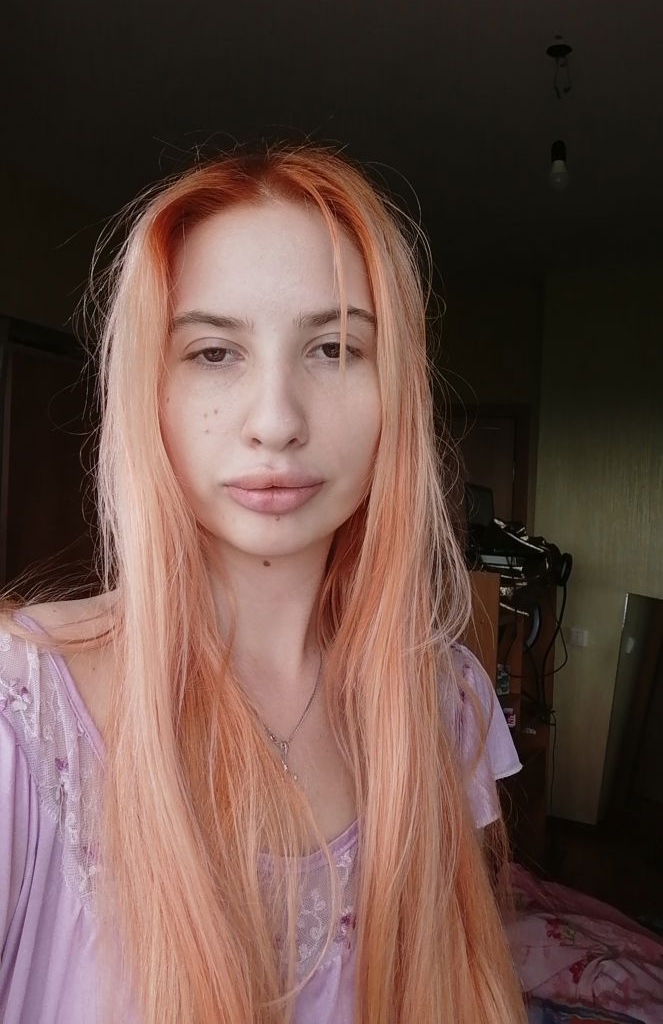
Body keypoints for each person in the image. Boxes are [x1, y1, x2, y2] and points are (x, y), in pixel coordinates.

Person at [0, 146, 527, 1023]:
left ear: (394, 390)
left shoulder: (445, 703)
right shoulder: (21, 709)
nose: (276, 421)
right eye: (213, 352)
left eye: (334, 347)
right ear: (150, 392)